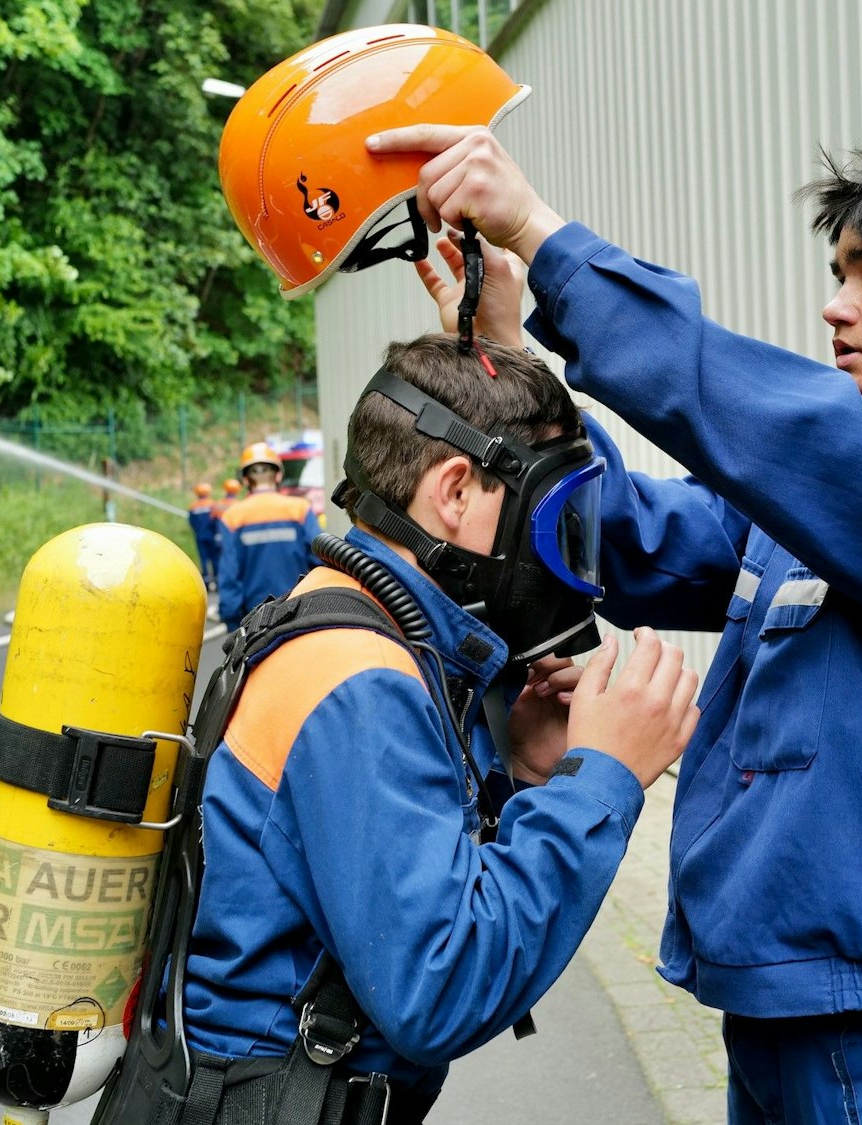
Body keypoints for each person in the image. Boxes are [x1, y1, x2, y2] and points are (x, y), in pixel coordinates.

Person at [374, 104, 862, 1123]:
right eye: (836, 275)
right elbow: (612, 534)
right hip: (780, 997)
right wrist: (508, 352)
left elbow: (773, 427)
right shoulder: (831, 498)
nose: (837, 307)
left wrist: (540, 233)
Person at [184, 334, 700, 1121]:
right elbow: (438, 986)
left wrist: (524, 773)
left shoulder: (355, 629)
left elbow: (401, 891)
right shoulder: (360, 681)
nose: (567, 557)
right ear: (455, 491)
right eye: (554, 515)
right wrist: (604, 778)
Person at [215, 442, 321, 632]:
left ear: (245, 480)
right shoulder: (300, 509)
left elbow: (230, 574)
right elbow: (320, 558)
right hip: (298, 613)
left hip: (254, 622)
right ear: (278, 475)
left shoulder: (232, 517)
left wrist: (232, 620)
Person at [188, 482, 222, 588]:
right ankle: (217, 581)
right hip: (212, 536)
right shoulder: (213, 505)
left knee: (203, 559)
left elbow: (192, 522)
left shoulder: (193, 506)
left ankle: (206, 582)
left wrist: (198, 531)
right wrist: (217, 534)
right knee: (215, 559)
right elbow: (216, 521)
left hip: (200, 536)